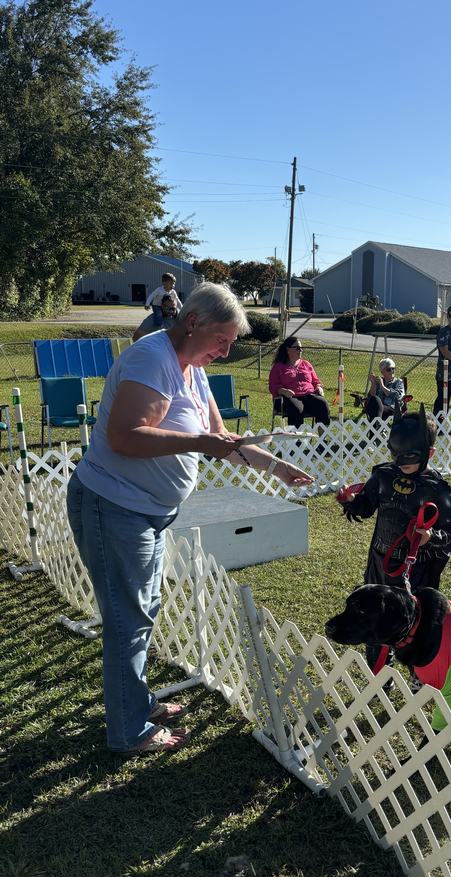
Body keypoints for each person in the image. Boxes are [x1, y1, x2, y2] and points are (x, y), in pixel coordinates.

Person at [66, 283, 313, 756]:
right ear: (193, 322)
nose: (225, 351)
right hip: (114, 507)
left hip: (147, 512)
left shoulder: (194, 368)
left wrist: (274, 466)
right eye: (222, 340)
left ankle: (136, 702)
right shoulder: (151, 358)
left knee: (141, 611)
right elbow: (124, 437)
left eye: (231, 344)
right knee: (128, 619)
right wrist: (199, 444)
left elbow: (220, 435)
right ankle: (129, 731)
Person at [339, 405, 451, 672]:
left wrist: (432, 537)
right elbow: (366, 506)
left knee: (414, 625)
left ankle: (420, 677)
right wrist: (351, 502)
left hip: (415, 570)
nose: (402, 461)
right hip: (378, 562)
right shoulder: (383, 475)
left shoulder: (436, 489)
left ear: (429, 453)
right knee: (374, 619)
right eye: (397, 455)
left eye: (410, 456)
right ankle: (379, 676)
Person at [269, 337, 331, 427]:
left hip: (308, 395)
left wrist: (318, 386)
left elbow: (315, 380)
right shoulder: (278, 367)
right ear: (288, 349)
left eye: (301, 348)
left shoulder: (306, 364)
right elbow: (273, 386)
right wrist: (284, 391)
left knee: (322, 404)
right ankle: (296, 441)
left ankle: (322, 440)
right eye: (297, 348)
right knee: (296, 409)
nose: (301, 350)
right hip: (288, 397)